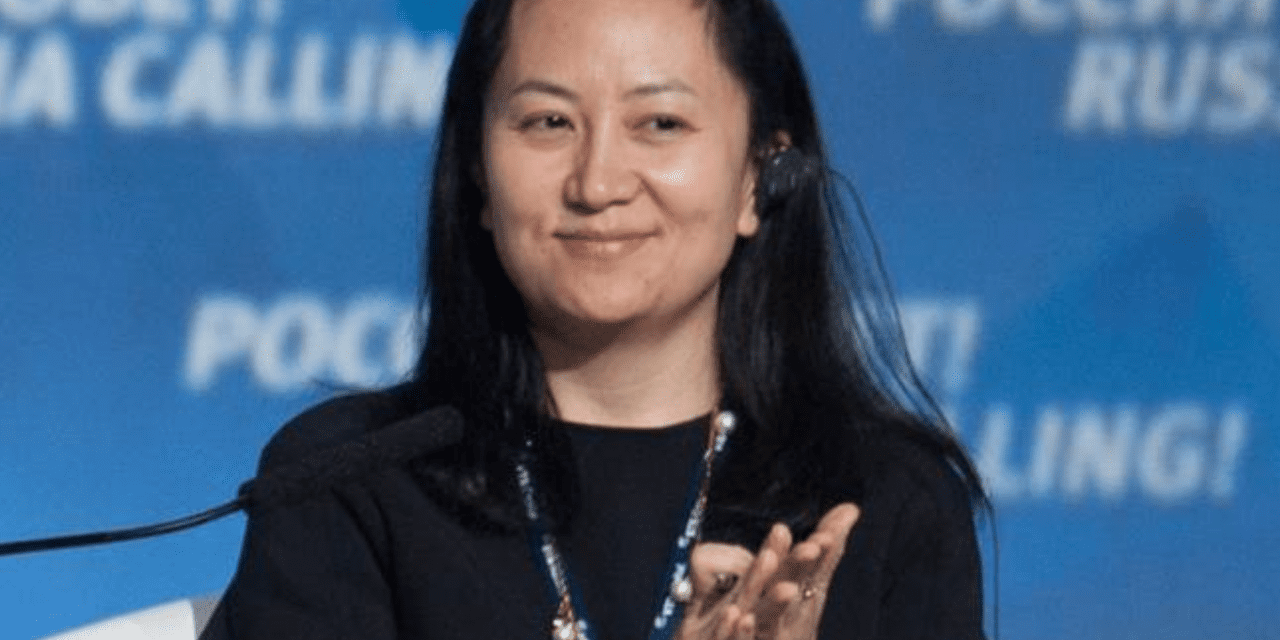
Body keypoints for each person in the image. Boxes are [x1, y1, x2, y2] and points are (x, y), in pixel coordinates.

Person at [201, 0, 989, 637]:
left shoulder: (887, 502)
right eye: (548, 122)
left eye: (660, 123)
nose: (597, 182)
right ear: (477, 173)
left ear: (759, 176)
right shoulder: (347, 482)